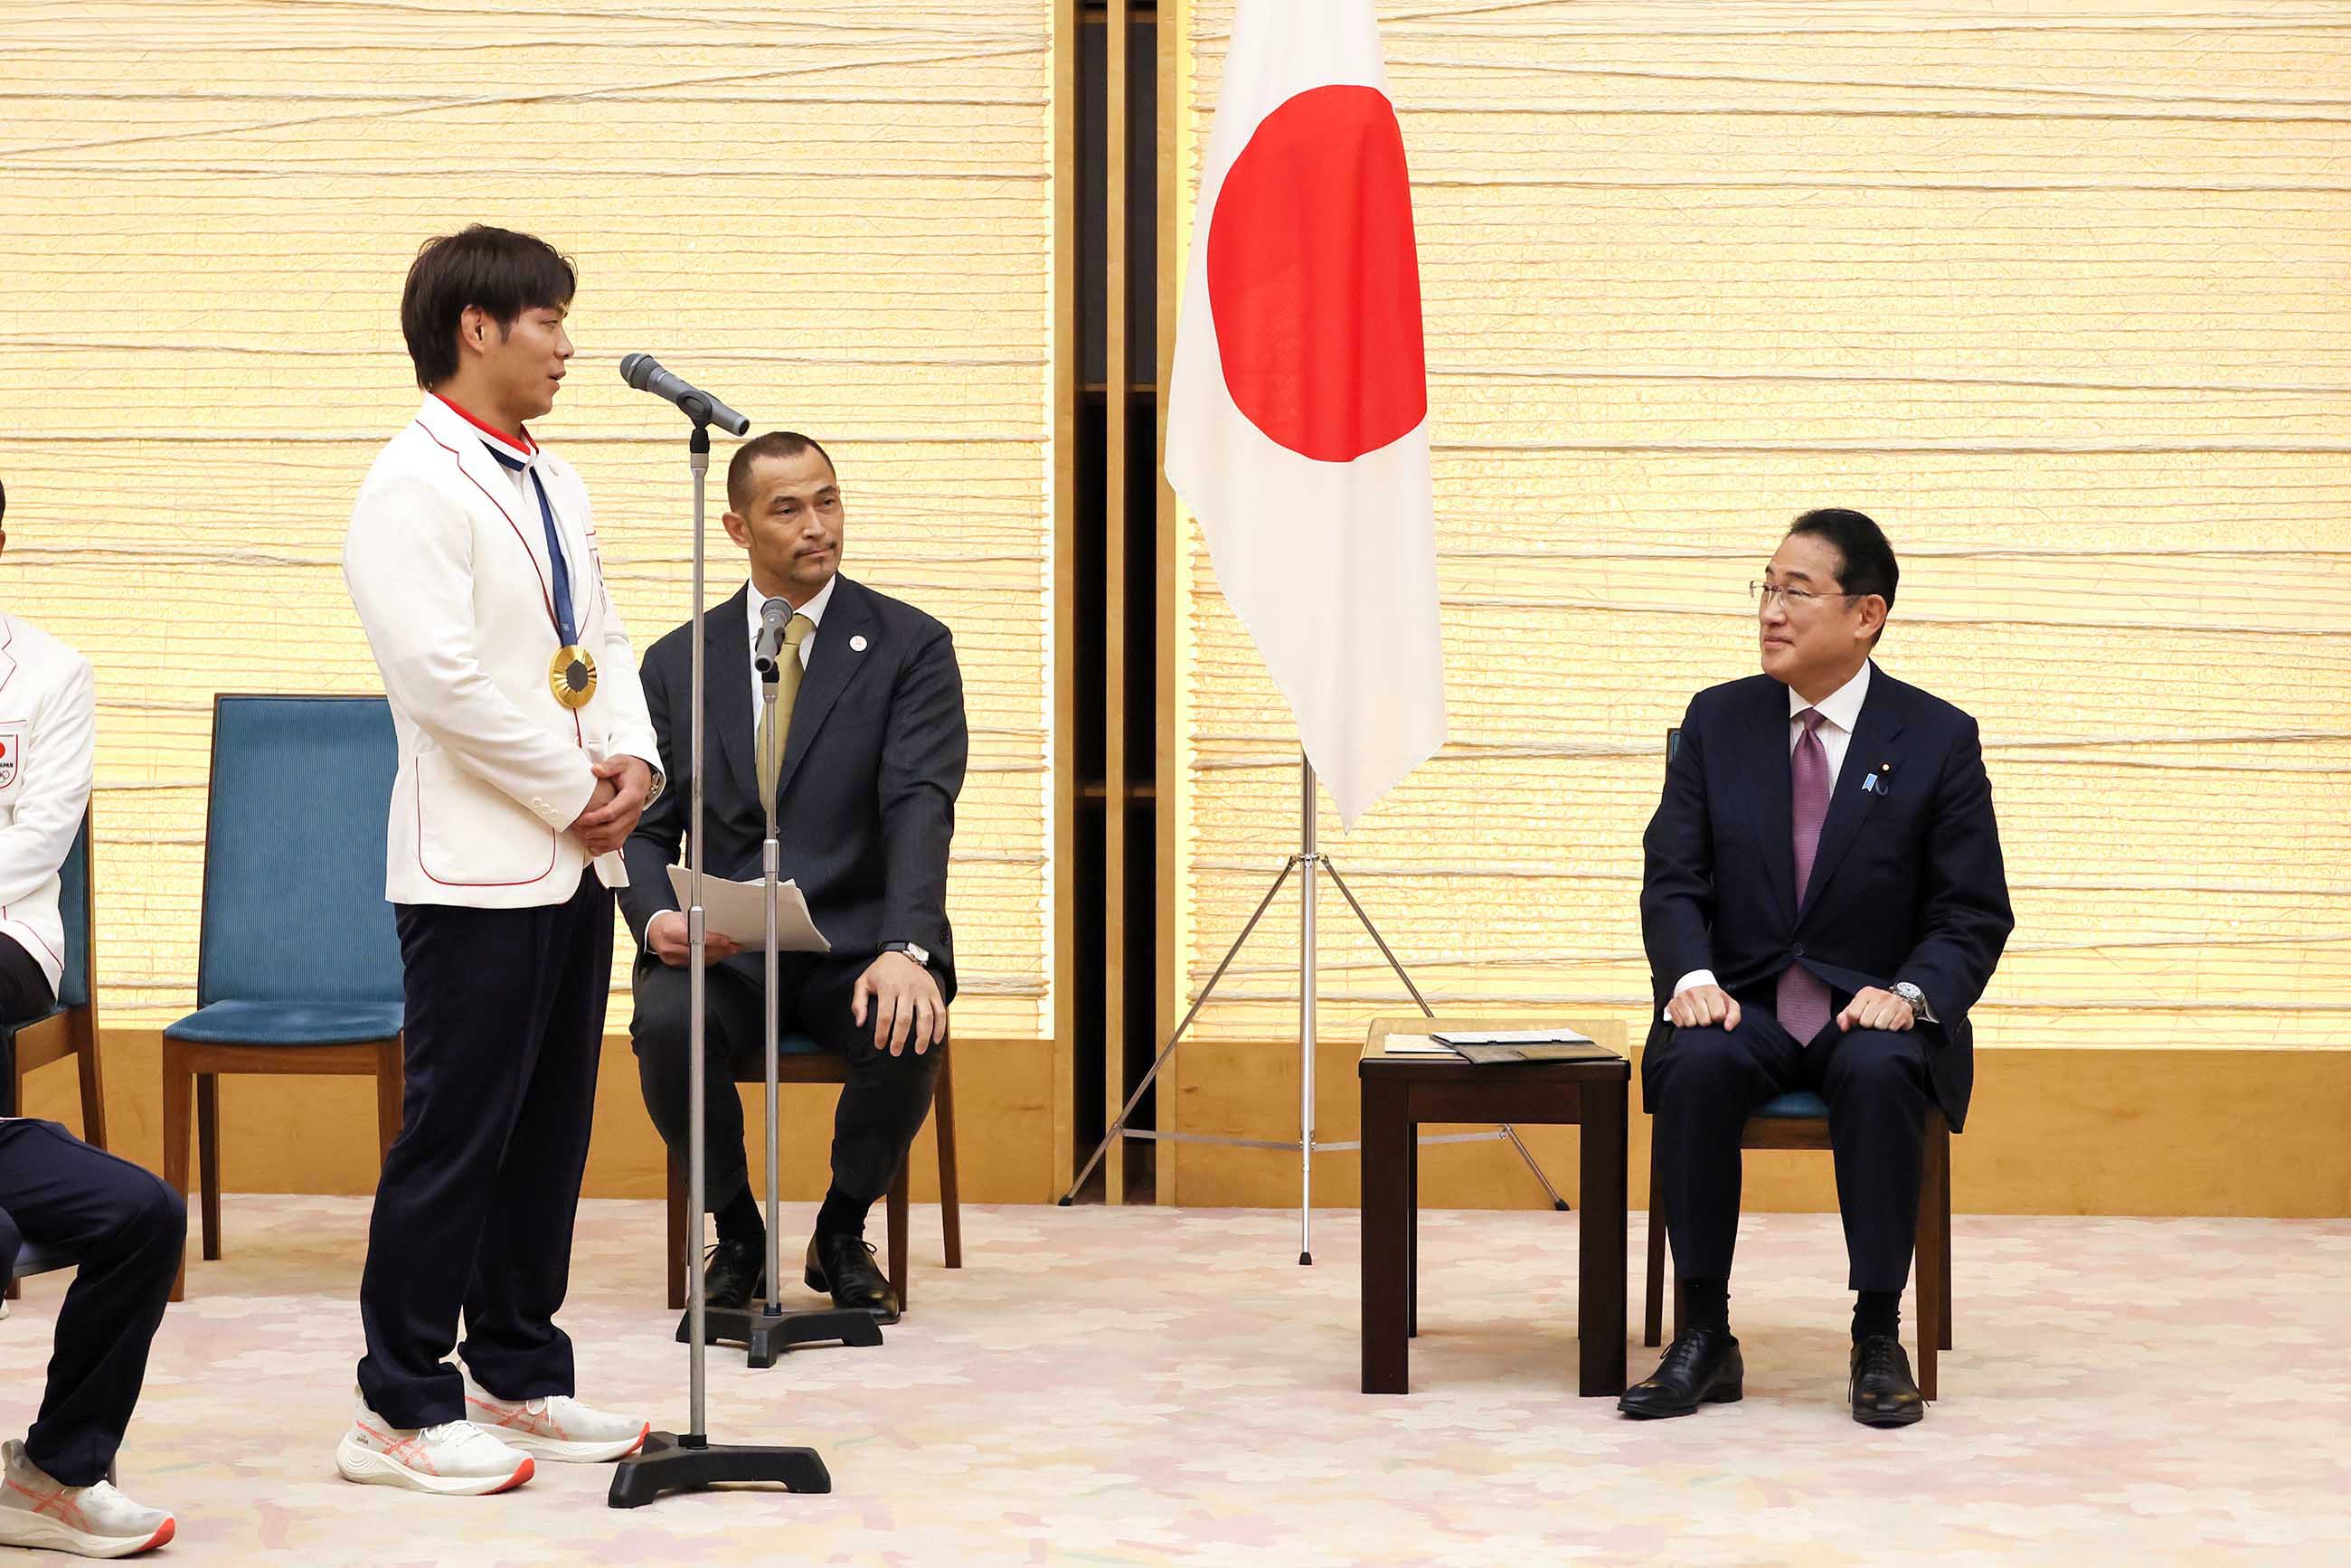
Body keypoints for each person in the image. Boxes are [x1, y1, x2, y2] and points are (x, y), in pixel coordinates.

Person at [336, 226, 660, 1494]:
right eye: (549, 321)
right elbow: (439, 679)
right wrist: (569, 783)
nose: (568, 345)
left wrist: (633, 759)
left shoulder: (555, 478)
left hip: (577, 859)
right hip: (476, 865)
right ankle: (399, 1405)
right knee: (456, 1135)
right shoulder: (407, 486)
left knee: (546, 1133)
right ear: (478, 327)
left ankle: (517, 1372)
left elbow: (605, 635)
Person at [1626, 508, 2014, 1428]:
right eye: (1763, 587)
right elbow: (1671, 878)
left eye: (1794, 591)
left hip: (1866, 1007)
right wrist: (1689, 979)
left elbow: (1970, 910)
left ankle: (1876, 1332)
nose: (1768, 611)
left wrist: (1910, 994)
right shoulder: (1716, 721)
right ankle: (1704, 1334)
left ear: (1865, 615)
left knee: (1883, 1072)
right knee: (1697, 1062)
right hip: (1743, 1003)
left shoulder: (1934, 738)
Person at [620, 430, 966, 1323]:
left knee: (906, 1015)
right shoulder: (674, 663)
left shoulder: (909, 646)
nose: (818, 525)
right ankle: (735, 1231)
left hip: (857, 941)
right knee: (666, 1017)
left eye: (827, 500)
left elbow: (919, 805)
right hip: (729, 948)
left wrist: (906, 946)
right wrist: (654, 916)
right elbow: (643, 828)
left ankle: (843, 1230)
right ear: (736, 528)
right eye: (788, 509)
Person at [0, 477, 184, 1558]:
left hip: (11, 937)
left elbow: (36, 841)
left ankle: (57, 1469)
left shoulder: (51, 672)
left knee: (142, 1214)